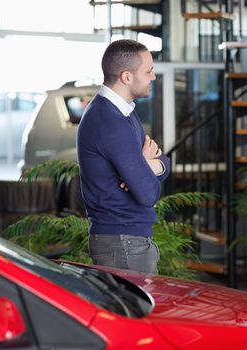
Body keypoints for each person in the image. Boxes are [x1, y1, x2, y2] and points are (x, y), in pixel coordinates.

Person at [77, 39, 170, 274]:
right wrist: (144, 167)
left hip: (127, 240)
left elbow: (163, 160)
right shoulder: (110, 121)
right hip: (123, 243)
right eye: (148, 71)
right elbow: (148, 193)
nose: (153, 77)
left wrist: (146, 166)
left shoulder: (124, 112)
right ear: (127, 77)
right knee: (133, 312)